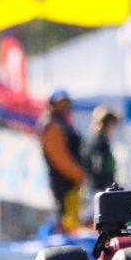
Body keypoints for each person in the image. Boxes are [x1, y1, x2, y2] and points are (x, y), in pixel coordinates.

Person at [39, 89, 85, 233]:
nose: (64, 107)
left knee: (74, 220)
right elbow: (60, 158)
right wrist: (79, 174)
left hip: (72, 183)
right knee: (68, 222)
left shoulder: (63, 124)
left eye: (66, 104)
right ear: (52, 105)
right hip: (64, 183)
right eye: (60, 104)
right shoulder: (52, 126)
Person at [83, 106, 121, 223]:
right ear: (109, 123)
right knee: (92, 219)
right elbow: (97, 168)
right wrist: (104, 185)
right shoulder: (99, 143)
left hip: (101, 188)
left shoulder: (104, 142)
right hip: (97, 190)